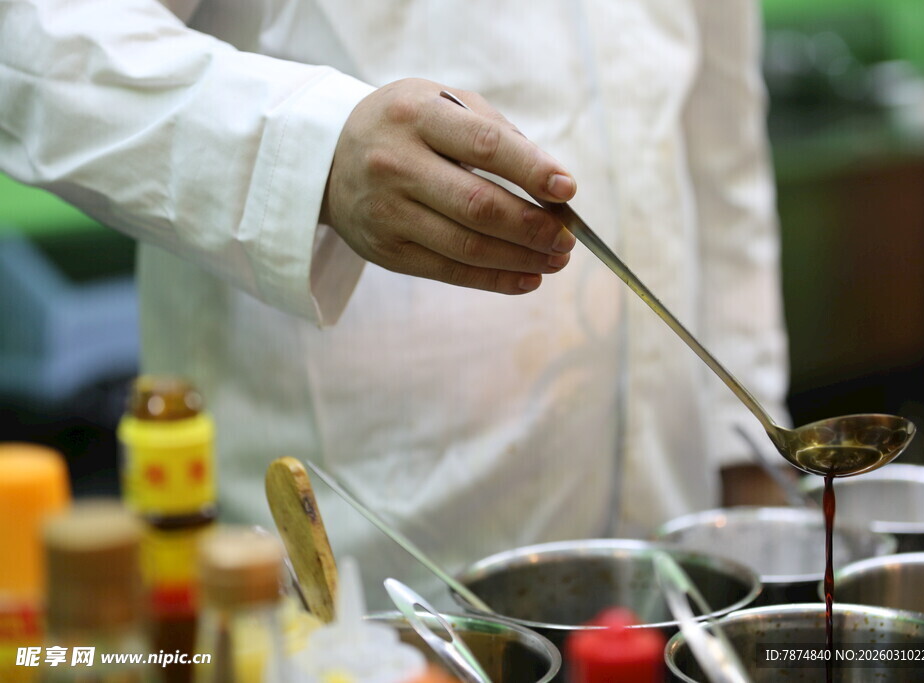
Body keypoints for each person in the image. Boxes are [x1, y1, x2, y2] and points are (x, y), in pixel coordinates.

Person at [0, 0, 789, 607]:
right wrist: (311, 149)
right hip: (364, 564)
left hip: (674, 542)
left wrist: (746, 446)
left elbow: (719, 147)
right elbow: (34, 38)